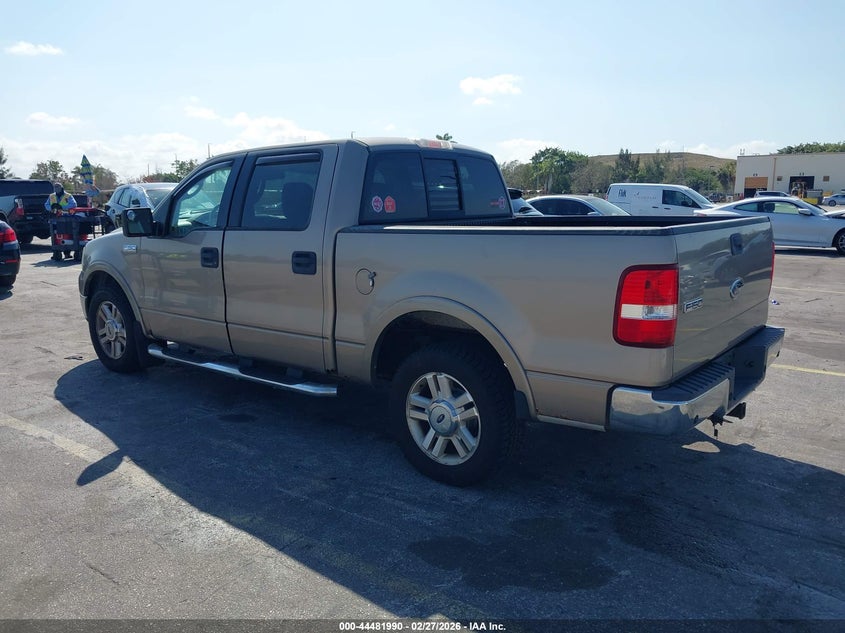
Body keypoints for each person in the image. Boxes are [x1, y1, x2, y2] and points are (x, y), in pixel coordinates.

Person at [45, 182, 78, 259]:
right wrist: (52, 208)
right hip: (55, 220)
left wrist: (62, 207)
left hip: (66, 219)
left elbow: (73, 204)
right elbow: (46, 205)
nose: (56, 189)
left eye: (58, 187)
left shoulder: (68, 196)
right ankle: (56, 252)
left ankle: (67, 253)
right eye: (55, 187)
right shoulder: (51, 196)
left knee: (67, 235)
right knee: (55, 235)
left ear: (62, 188)